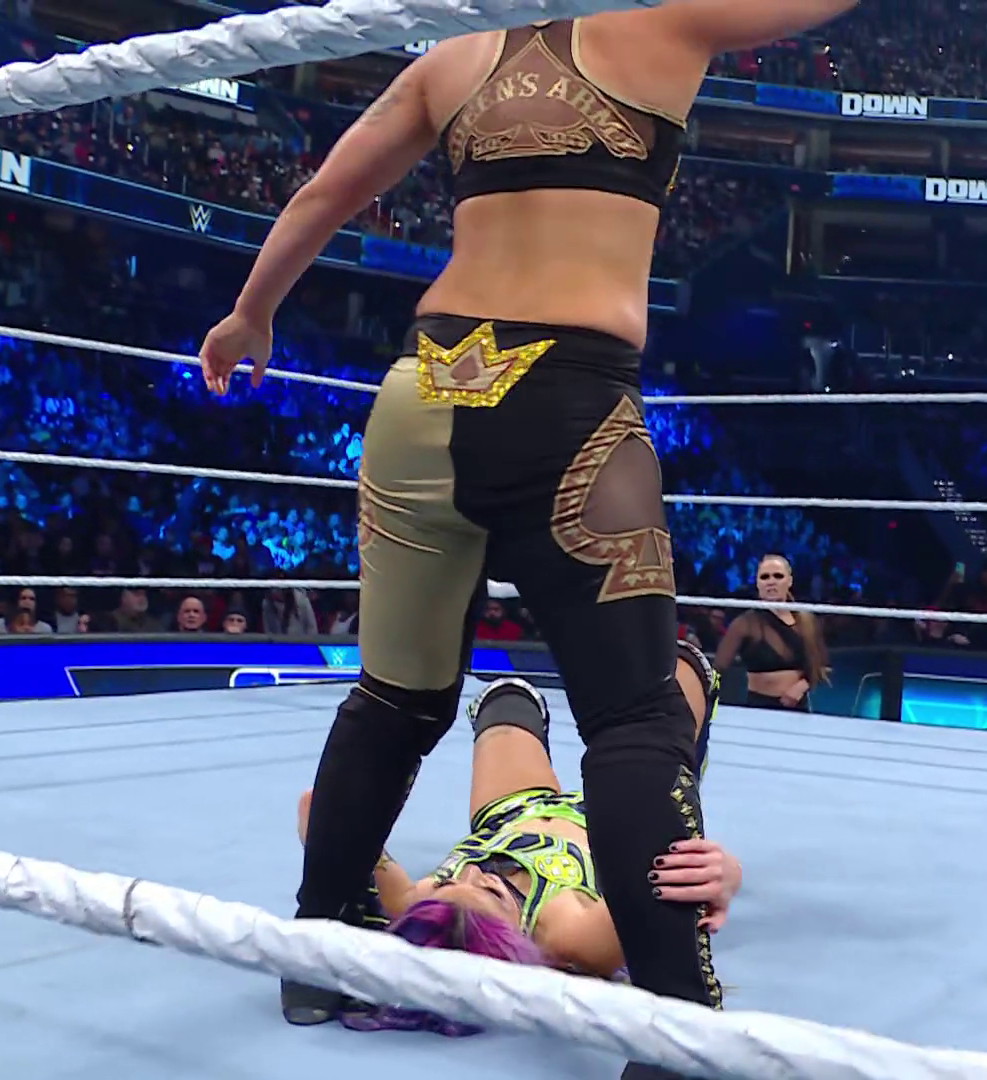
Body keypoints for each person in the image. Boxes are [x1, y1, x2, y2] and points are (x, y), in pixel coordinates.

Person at [197, 3, 860, 1066]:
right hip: (568, 400)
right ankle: (675, 1023)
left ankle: (318, 955)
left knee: (396, 698)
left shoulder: (449, 57)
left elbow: (325, 192)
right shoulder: (661, 28)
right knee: (636, 719)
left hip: (422, 391)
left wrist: (251, 314)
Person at [306, 650, 735, 1037]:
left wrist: (361, 892)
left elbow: (315, 810)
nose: (474, 873)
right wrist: (723, 875)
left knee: (506, 698)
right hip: (618, 819)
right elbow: (670, 887)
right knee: (667, 673)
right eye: (491, 893)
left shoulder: (419, 907)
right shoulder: (570, 936)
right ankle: (684, 758)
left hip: (510, 811)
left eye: (448, 882)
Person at [713, 554, 828, 711]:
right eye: (765, 577)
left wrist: (801, 687)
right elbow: (718, 668)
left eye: (778, 576)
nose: (771, 582)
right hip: (759, 707)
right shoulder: (745, 623)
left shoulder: (807, 620)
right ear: (757, 583)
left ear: (789, 581)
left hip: (799, 707)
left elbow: (821, 665)